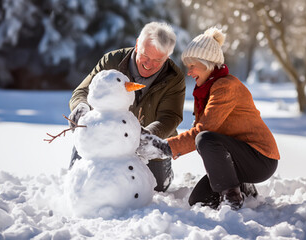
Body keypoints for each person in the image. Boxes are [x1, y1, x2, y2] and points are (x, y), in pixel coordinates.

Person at [140, 27, 280, 210]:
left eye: (192, 66)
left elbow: (204, 131)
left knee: (205, 138)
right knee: (199, 200)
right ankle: (242, 186)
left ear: (207, 63)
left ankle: (232, 199)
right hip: (237, 158)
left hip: (260, 158)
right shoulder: (207, 90)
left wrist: (165, 147)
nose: (189, 72)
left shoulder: (225, 87)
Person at [68, 22, 184, 192]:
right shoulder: (111, 61)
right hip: (104, 134)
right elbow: (84, 90)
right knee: (79, 182)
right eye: (145, 56)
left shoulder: (173, 77)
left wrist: (147, 135)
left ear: (167, 56)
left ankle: (164, 171)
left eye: (158, 60)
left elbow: (170, 116)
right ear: (137, 44)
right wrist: (81, 106)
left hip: (148, 140)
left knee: (156, 187)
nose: (149, 64)